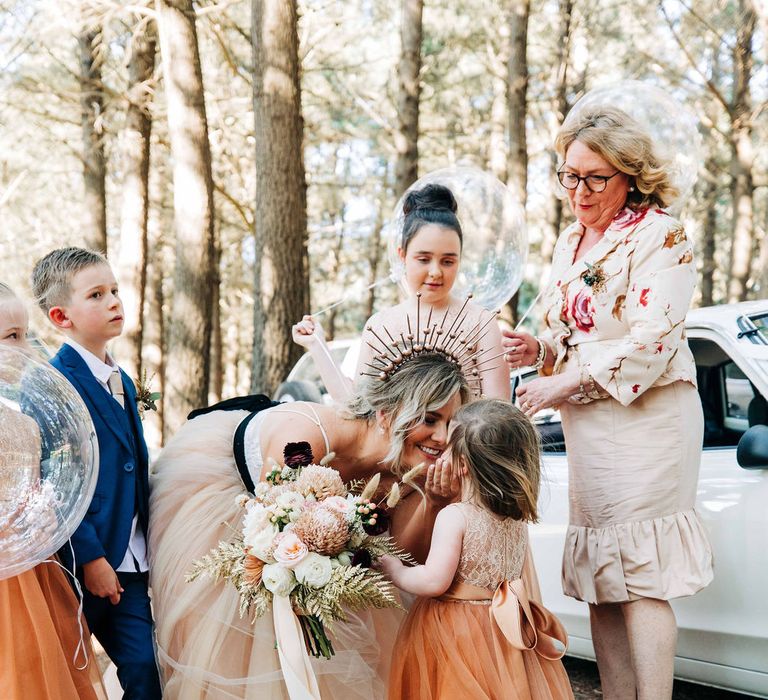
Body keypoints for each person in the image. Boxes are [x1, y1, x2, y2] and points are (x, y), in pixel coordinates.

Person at [503, 106, 713, 700]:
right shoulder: (571, 240)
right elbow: (569, 333)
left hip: (649, 417)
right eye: (570, 175)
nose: (579, 191)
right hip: (590, 424)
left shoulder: (661, 234)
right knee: (602, 576)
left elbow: (653, 340)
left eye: (596, 178)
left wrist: (562, 383)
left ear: (631, 176)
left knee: (642, 576)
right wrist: (537, 348)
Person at [149, 350, 470, 699]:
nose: (441, 438)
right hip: (229, 502)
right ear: (387, 413)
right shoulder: (306, 436)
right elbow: (272, 525)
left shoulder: (410, 472)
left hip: (318, 553)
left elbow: (403, 555)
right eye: (430, 419)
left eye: (450, 424)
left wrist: (435, 503)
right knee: (233, 644)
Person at [31, 248, 162, 699]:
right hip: (81, 562)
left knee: (147, 670)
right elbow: (56, 482)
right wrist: (90, 558)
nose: (114, 302)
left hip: (134, 562)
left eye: (114, 291)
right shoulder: (54, 384)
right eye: (97, 294)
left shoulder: (122, 380)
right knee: (70, 676)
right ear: (61, 316)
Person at [380, 399, 573, 700]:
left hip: (456, 634)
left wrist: (397, 570)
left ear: (463, 463)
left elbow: (434, 581)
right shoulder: (515, 520)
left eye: (448, 449)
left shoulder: (455, 516)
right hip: (503, 631)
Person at [293, 183, 510, 401]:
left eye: (447, 261)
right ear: (402, 255)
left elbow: (498, 414)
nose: (436, 272)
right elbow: (357, 408)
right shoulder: (379, 325)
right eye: (423, 259)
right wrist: (317, 345)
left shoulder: (481, 324)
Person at [0, 282, 106, 700]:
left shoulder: (22, 423)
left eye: (26, 334)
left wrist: (40, 510)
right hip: (6, 572)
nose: (25, 347)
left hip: (33, 567)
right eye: (11, 337)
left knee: (38, 667)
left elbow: (32, 483)